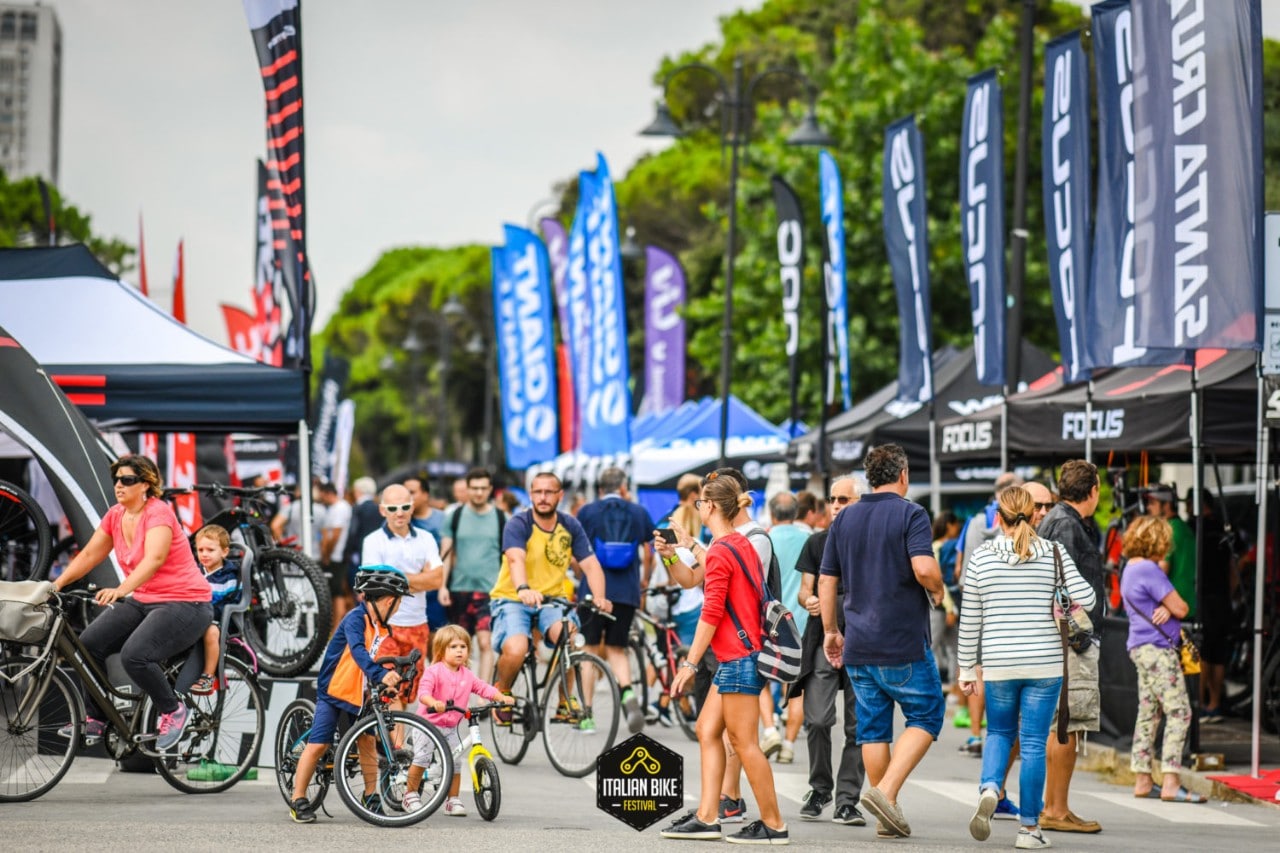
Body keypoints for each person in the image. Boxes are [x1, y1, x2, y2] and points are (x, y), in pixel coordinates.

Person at [959, 486, 1096, 850]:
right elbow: (1090, 598)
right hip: (1045, 663)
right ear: (1035, 514)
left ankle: (990, 787)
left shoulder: (982, 557)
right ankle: (1030, 830)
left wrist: (965, 669)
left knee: (999, 733)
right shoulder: (1054, 553)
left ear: (998, 517)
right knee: (1034, 742)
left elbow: (970, 619)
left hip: (1000, 663)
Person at [818, 444, 944, 840]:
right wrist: (938, 589)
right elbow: (923, 567)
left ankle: (885, 816)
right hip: (901, 638)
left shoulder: (846, 517)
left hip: (857, 639)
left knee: (873, 729)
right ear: (903, 474)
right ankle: (886, 792)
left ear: (869, 477)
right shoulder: (912, 513)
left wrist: (830, 631)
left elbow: (827, 580)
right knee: (926, 714)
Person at [52, 454, 214, 752]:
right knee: (87, 645)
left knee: (135, 655)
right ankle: (97, 717)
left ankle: (173, 710)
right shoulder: (115, 515)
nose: (119, 485)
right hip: (145, 600)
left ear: (146, 485)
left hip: (185, 603)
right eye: (117, 479)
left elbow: (153, 560)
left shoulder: (158, 513)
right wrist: (55, 585)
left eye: (128, 480)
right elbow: (88, 555)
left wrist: (120, 589)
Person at [662, 472, 788, 845]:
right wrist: (688, 547)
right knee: (706, 729)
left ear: (711, 506)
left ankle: (774, 824)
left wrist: (688, 664)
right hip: (743, 655)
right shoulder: (738, 543)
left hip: (737, 658)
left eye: (700, 503)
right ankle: (707, 816)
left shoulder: (723, 549)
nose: (698, 508)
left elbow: (711, 612)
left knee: (744, 741)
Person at [288, 566, 408, 823]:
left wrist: (380, 682)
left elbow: (367, 662)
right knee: (320, 744)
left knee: (366, 739)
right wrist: (379, 675)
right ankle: (298, 798)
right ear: (388, 601)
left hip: (356, 691)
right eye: (398, 603)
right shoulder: (356, 618)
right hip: (334, 690)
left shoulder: (379, 626)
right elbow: (357, 652)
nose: (398, 609)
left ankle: (370, 795)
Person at [490, 472, 612, 722]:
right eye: (537, 492)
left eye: (549, 492)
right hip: (513, 597)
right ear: (531, 494)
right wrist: (523, 588)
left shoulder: (570, 525)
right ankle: (502, 692)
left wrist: (600, 597)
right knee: (517, 647)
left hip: (552, 600)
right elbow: (515, 558)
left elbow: (591, 565)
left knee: (570, 638)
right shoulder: (518, 523)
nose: (543, 497)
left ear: (559, 495)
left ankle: (564, 700)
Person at [1035, 459, 1105, 834]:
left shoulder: (1061, 519)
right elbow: (1058, 586)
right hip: (1069, 640)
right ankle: (1056, 809)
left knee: (1063, 722)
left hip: (1064, 637)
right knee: (1067, 721)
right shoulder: (1065, 524)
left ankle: (1054, 805)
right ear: (1092, 491)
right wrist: (1076, 632)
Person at [792, 474, 866, 827]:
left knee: (859, 725)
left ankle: (847, 800)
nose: (836, 506)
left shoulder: (870, 543)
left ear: (859, 503)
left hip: (865, 641)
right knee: (818, 718)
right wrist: (809, 600)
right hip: (823, 636)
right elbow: (804, 590)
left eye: (844, 500)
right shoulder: (817, 542)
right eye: (833, 500)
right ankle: (819, 787)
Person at [1119, 515, 1206, 803]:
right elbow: (1182, 606)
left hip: (1140, 647)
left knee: (1149, 712)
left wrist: (1165, 609)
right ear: (1157, 541)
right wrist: (1171, 609)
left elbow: (1163, 605)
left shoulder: (1130, 568)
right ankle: (1171, 779)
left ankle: (1143, 777)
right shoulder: (1149, 569)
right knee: (1179, 711)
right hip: (1158, 648)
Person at [576, 466, 655, 734]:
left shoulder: (587, 512)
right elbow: (649, 552)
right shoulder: (638, 512)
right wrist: (644, 581)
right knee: (616, 649)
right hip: (626, 591)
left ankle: (586, 715)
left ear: (600, 489)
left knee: (588, 650)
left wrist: (580, 576)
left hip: (592, 592)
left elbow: (577, 553)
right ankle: (627, 693)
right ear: (624, 487)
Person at [406, 624, 515, 815]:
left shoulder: (467, 675)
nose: (459, 651)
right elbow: (423, 692)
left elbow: (483, 688)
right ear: (441, 650)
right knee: (422, 758)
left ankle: (452, 800)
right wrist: (434, 702)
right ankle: (410, 795)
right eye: (453, 647)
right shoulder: (434, 671)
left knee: (455, 762)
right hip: (428, 725)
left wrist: (501, 697)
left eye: (463, 647)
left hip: (450, 727)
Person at [954, 473, 1023, 750]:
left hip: (979, 603)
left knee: (977, 670)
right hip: (1013, 610)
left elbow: (961, 569)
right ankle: (1008, 739)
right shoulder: (1023, 522)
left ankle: (975, 734)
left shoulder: (974, 522)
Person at [360, 483, 444, 706]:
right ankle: (392, 742)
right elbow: (374, 585)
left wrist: (393, 578)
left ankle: (387, 740)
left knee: (407, 694)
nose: (399, 512)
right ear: (382, 510)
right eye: (393, 508)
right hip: (385, 626)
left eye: (405, 506)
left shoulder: (425, 538)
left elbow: (437, 579)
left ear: (413, 507)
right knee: (389, 691)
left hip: (418, 625)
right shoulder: (373, 541)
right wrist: (419, 578)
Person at [439, 467, 506, 679]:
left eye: (483, 488)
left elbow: (509, 556)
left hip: (490, 591)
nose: (478, 493)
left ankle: (482, 699)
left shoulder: (501, 517)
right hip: (459, 588)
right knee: (459, 648)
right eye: (474, 488)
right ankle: (459, 694)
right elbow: (446, 553)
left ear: (490, 490)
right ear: (466, 489)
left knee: (486, 643)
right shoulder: (455, 516)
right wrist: (442, 585)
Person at [767, 490, 808, 765]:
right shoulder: (808, 539)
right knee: (796, 686)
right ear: (795, 513)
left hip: (770, 619)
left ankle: (769, 728)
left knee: (763, 677)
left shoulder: (764, 539)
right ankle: (790, 745)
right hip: (802, 620)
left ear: (771, 513)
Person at [190, 524, 241, 696]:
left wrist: (205, 612)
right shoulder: (194, 571)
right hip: (193, 616)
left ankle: (209, 676)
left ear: (224, 552)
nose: (204, 554)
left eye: (210, 550)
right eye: (200, 549)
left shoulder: (230, 576)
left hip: (219, 620)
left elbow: (229, 604)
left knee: (211, 631)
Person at [1144, 484, 1196, 620]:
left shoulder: (1170, 531)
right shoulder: (1182, 527)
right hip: (1185, 603)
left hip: (1173, 607)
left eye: (1152, 503)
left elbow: (1161, 570)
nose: (1149, 507)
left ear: (1166, 505)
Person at [406, 474, 449, 632]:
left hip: (434, 590)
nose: (407, 497)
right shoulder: (398, 520)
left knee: (435, 637)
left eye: (412, 492)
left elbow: (451, 553)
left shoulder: (443, 519)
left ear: (425, 495)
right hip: (407, 590)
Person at [318, 482, 352, 629]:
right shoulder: (337, 508)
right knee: (338, 590)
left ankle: (338, 625)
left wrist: (327, 553)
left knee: (337, 591)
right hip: (337, 555)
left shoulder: (339, 508)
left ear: (327, 493)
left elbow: (335, 534)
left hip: (337, 556)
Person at [343, 477, 384, 594]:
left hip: (358, 556)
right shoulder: (379, 508)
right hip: (378, 554)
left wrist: (346, 552)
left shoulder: (357, 508)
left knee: (360, 593)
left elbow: (353, 532)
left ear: (358, 491)